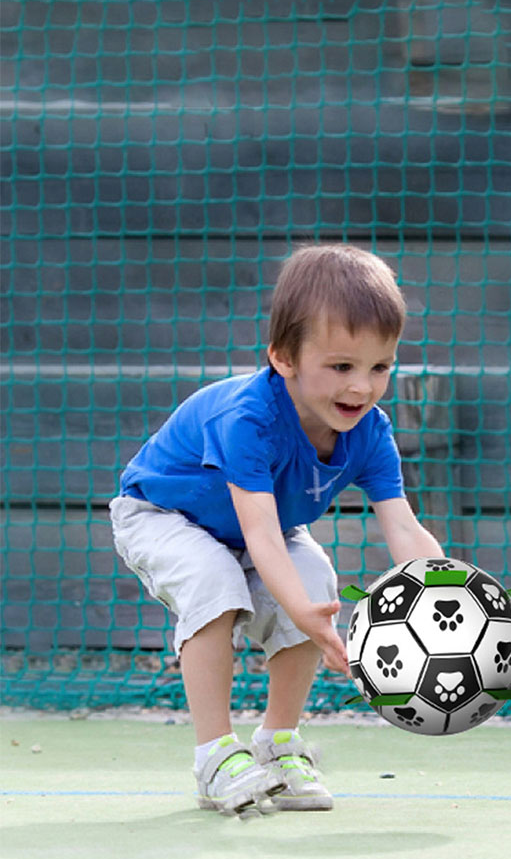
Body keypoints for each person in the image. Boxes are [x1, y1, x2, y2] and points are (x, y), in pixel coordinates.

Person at [110, 244, 443, 815]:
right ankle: (215, 756)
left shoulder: (370, 430)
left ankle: (277, 745)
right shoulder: (249, 418)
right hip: (164, 516)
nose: (361, 387)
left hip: (252, 530)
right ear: (284, 358)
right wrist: (305, 616)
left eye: (379, 367)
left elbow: (403, 525)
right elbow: (261, 533)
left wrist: (444, 592)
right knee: (217, 583)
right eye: (342, 366)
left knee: (313, 581)